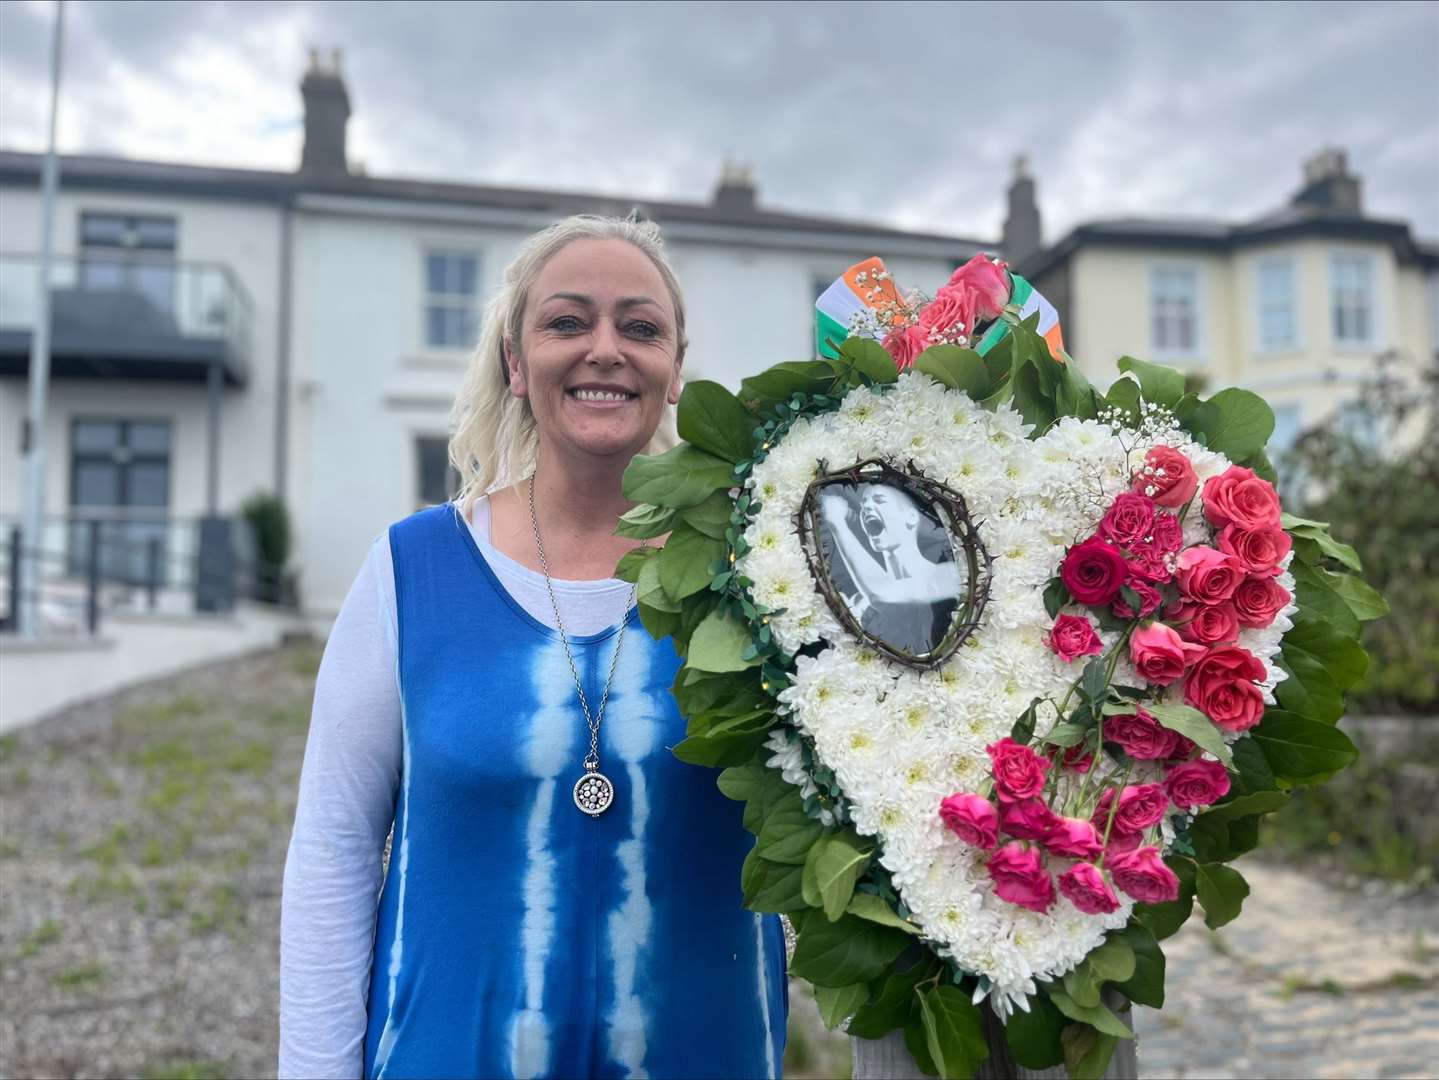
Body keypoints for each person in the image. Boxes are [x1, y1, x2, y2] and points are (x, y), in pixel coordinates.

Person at [279, 215, 788, 1079]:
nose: (604, 349)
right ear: (516, 363)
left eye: (639, 327)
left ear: (673, 372)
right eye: (566, 322)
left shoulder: (760, 572)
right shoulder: (412, 568)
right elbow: (333, 843)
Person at [817, 482, 962, 656]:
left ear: (911, 517)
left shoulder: (947, 575)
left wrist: (838, 525)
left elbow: (883, 593)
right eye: (863, 504)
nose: (868, 506)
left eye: (879, 500)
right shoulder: (866, 609)